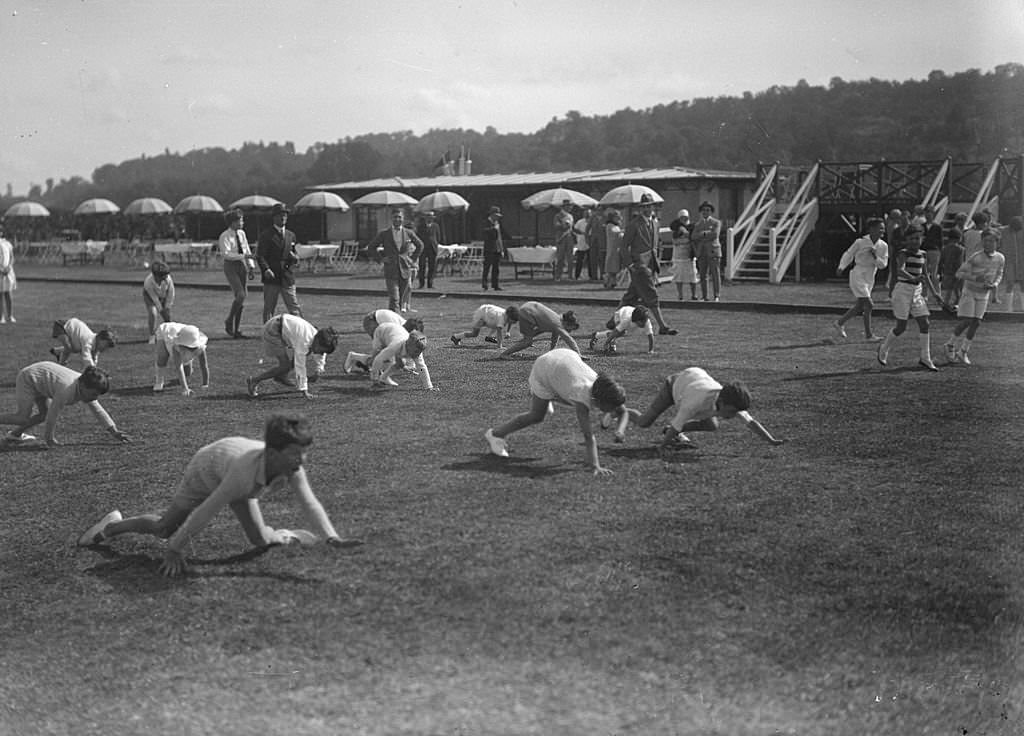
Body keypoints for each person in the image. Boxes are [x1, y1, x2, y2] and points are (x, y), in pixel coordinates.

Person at [77, 413, 359, 577]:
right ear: (273, 453)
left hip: (236, 477)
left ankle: (288, 535)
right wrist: (175, 549)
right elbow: (206, 511)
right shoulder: (243, 474)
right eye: (297, 452)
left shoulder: (292, 466)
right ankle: (109, 528)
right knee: (164, 528)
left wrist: (332, 536)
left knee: (261, 540)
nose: (303, 459)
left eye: (304, 451)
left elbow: (309, 502)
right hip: (206, 470)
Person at [484, 348, 629, 476]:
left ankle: (547, 399)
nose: (615, 409)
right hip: (544, 368)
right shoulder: (581, 398)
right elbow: (588, 435)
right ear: (599, 401)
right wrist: (595, 465)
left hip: (564, 357)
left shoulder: (603, 388)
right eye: (611, 408)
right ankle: (496, 434)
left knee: (565, 394)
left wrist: (620, 431)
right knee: (536, 416)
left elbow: (623, 411)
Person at [615, 367, 783, 450]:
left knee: (712, 425)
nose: (733, 416)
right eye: (732, 412)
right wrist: (662, 448)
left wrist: (772, 441)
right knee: (645, 422)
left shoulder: (729, 401)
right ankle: (624, 412)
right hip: (673, 387)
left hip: (692, 381)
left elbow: (751, 422)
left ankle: (669, 432)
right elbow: (677, 423)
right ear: (723, 403)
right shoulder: (696, 401)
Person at [1, 362, 131, 446]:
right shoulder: (66, 390)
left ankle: (15, 435)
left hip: (42, 381)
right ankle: (15, 433)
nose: (94, 398)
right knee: (22, 417)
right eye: (93, 394)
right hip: (29, 378)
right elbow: (53, 415)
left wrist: (114, 431)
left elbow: (98, 410)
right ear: (83, 386)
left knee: (43, 415)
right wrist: (49, 439)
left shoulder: (85, 386)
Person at [877, 225, 939, 371]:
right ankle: (884, 348)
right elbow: (900, 270)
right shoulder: (903, 253)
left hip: (917, 291)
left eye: (917, 238)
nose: (915, 241)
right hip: (903, 290)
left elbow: (926, 275)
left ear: (922, 239)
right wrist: (914, 278)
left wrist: (935, 293)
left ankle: (925, 358)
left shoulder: (923, 254)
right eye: (911, 239)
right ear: (906, 240)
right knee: (901, 327)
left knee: (925, 323)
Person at [943, 228, 1005, 365]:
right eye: (985, 241)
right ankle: (950, 344)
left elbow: (1000, 273)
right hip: (969, 292)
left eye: (991, 241)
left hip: (984, 294)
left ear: (997, 243)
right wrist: (976, 277)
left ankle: (963, 351)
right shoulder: (976, 257)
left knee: (977, 322)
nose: (988, 244)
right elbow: (959, 274)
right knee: (967, 320)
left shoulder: (1000, 258)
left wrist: (994, 284)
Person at [618, 194, 678, 336]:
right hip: (639, 265)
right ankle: (663, 326)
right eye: (644, 206)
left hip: (651, 264)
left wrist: (658, 258)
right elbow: (623, 246)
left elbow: (658, 243)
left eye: (649, 206)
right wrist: (630, 264)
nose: (647, 209)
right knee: (652, 295)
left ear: (653, 207)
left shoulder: (655, 223)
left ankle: (612, 321)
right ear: (640, 209)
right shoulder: (634, 224)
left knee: (631, 296)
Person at [246, 314, 338, 399]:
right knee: (285, 365)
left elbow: (322, 354)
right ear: (317, 341)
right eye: (320, 350)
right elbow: (300, 366)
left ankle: (281, 377)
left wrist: (319, 369)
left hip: (280, 325)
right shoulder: (304, 341)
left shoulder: (316, 336)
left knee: (297, 359)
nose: (320, 353)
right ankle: (254, 380)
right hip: (273, 330)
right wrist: (304, 390)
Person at [832, 217, 888, 342]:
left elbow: (883, 265)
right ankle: (869, 335)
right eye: (880, 228)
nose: (882, 231)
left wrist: (875, 256)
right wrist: (841, 266)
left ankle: (839, 323)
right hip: (858, 274)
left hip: (870, 276)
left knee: (861, 306)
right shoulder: (860, 242)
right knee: (869, 304)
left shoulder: (883, 246)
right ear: (871, 229)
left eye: (883, 229)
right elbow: (849, 254)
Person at [345, 324, 435, 390]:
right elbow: (378, 359)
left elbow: (422, 368)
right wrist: (374, 379)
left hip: (393, 333)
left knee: (400, 364)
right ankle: (353, 356)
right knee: (374, 361)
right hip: (381, 332)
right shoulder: (395, 346)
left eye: (420, 352)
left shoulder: (417, 349)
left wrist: (429, 387)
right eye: (416, 351)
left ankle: (383, 378)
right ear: (408, 345)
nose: (418, 354)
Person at [366, 209, 422, 312]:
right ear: (391, 219)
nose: (397, 219)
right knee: (394, 298)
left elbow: (420, 245)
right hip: (391, 269)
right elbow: (371, 247)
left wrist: (412, 259)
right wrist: (381, 259)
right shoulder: (384, 234)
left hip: (405, 269)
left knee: (401, 299)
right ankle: (395, 321)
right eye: (395, 217)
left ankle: (396, 322)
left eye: (399, 217)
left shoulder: (409, 233)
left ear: (403, 219)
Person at [256, 203, 302, 323]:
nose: (283, 218)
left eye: (285, 215)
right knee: (269, 307)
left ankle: (301, 331)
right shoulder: (266, 235)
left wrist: (295, 257)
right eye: (280, 215)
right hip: (272, 276)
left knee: (294, 306)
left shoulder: (291, 235)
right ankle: (267, 331)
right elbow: (260, 256)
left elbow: (293, 253)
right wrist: (266, 269)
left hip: (287, 275)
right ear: (274, 217)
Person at [218, 208, 256, 338]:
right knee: (240, 295)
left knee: (242, 298)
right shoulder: (225, 236)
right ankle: (229, 320)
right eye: (239, 220)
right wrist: (243, 257)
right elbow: (226, 254)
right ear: (232, 222)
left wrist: (251, 266)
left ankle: (236, 330)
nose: (242, 222)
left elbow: (246, 249)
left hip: (242, 265)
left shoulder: (242, 234)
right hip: (231, 266)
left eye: (242, 220)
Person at [497, 300, 582, 358]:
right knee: (528, 342)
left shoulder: (557, 320)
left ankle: (520, 343)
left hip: (529, 307)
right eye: (570, 328)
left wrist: (552, 352)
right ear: (567, 323)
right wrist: (578, 354)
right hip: (526, 313)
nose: (570, 331)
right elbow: (568, 339)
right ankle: (504, 354)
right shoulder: (557, 324)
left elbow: (555, 335)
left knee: (532, 335)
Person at [152, 322, 210, 396]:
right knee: (162, 357)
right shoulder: (176, 347)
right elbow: (179, 367)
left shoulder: (200, 348)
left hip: (181, 332)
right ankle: (159, 382)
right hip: (164, 332)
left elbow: (204, 366)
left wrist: (205, 384)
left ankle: (183, 375)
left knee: (187, 373)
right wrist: (185, 389)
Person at [49, 318, 116, 368]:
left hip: (72, 333)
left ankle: (57, 352)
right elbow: (86, 357)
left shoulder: (96, 345)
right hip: (62, 326)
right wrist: (92, 371)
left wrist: (94, 369)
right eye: (106, 345)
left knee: (76, 348)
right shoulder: (88, 340)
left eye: (108, 347)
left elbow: (94, 358)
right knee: (68, 348)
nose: (105, 348)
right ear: (100, 339)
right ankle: (61, 366)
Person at [587, 305, 655, 354]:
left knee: (621, 332)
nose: (643, 324)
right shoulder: (626, 320)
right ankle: (610, 343)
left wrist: (651, 350)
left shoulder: (646, 321)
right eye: (641, 322)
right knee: (620, 332)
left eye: (645, 321)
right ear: (636, 320)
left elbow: (650, 336)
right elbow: (614, 332)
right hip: (620, 313)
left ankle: (596, 335)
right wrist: (606, 343)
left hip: (628, 310)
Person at [450, 304, 520, 349]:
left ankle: (489, 337)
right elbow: (499, 332)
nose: (515, 322)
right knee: (474, 334)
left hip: (488, 313)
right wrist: (500, 346)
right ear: (509, 317)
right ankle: (456, 337)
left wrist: (508, 332)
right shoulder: (501, 317)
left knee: (498, 325)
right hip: (481, 315)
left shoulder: (507, 316)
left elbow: (509, 322)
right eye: (514, 320)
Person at [691, 201, 722, 302]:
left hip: (713, 251)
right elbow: (693, 236)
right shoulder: (698, 224)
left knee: (715, 274)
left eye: (708, 210)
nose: (705, 212)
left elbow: (715, 235)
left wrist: (702, 234)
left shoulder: (716, 222)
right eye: (704, 210)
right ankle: (705, 296)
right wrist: (706, 234)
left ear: (711, 212)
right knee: (703, 275)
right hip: (701, 252)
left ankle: (716, 295)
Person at [668, 208, 697, 300]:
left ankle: (694, 294)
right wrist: (686, 240)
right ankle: (680, 295)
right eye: (682, 217)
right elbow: (675, 241)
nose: (684, 219)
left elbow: (693, 238)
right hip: (678, 256)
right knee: (678, 276)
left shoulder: (692, 227)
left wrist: (686, 237)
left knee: (692, 275)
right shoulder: (676, 228)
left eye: (685, 217)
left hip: (689, 255)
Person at [142, 261, 174, 343]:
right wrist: (161, 310)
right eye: (162, 277)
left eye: (165, 277)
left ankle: (169, 335)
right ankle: (152, 336)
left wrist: (167, 307)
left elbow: (171, 294)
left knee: (167, 316)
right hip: (150, 296)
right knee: (153, 313)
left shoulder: (168, 278)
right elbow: (155, 299)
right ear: (155, 275)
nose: (164, 279)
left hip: (163, 295)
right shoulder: (148, 282)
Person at [998, 216, 1024, 312]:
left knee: (1023, 283)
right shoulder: (1003, 231)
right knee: (1010, 283)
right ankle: (1008, 308)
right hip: (1009, 261)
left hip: (1022, 261)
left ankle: (1023, 307)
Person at [938, 228, 966, 309]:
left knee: (949, 288)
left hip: (947, 271)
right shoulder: (961, 249)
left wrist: (940, 270)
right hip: (957, 271)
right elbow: (960, 261)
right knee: (957, 289)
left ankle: (947, 302)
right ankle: (956, 302)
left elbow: (941, 260)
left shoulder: (944, 248)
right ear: (959, 238)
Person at [921, 205, 944, 303]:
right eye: (926, 213)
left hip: (934, 250)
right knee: (924, 273)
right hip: (923, 250)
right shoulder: (922, 226)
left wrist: (940, 251)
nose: (928, 215)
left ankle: (937, 293)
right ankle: (924, 294)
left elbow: (940, 241)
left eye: (930, 213)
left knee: (934, 274)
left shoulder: (937, 227)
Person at [481, 206, 506, 291]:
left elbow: (499, 237)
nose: (497, 217)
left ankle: (495, 285)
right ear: (492, 215)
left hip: (497, 249)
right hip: (489, 249)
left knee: (496, 268)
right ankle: (484, 284)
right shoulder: (486, 222)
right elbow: (484, 232)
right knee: (487, 267)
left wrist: (501, 249)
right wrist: (493, 229)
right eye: (496, 215)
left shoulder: (498, 223)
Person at [416, 210, 441, 289]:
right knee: (422, 266)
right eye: (428, 216)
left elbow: (438, 237)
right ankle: (421, 283)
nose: (429, 218)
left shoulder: (435, 226)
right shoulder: (420, 226)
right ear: (425, 218)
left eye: (431, 216)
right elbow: (417, 237)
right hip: (423, 248)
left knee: (432, 267)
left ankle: (430, 283)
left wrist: (435, 244)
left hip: (432, 248)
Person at [553, 200, 575, 281]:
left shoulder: (571, 216)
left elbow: (572, 228)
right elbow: (556, 226)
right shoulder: (558, 216)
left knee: (570, 258)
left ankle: (570, 276)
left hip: (569, 238)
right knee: (560, 258)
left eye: (571, 206)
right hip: (561, 238)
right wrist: (564, 224)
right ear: (564, 206)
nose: (570, 207)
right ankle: (558, 276)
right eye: (569, 206)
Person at [603, 209, 625, 289]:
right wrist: (624, 231)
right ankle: (607, 282)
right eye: (616, 216)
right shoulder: (609, 225)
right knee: (611, 267)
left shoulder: (617, 226)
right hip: (612, 248)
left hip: (617, 248)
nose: (618, 218)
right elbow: (615, 233)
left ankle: (613, 283)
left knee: (616, 267)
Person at [586, 206, 606, 282]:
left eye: (601, 210)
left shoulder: (606, 218)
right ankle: (594, 276)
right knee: (593, 259)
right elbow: (587, 228)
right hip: (593, 241)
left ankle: (602, 275)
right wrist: (587, 239)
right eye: (597, 210)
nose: (599, 211)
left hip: (602, 241)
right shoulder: (593, 218)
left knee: (602, 259)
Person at [0, 225, 15, 324]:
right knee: (0, 295)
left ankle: (10, 316)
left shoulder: (7, 243)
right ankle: (1, 317)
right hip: (0, 272)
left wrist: (8, 267)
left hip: (8, 272)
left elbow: (12, 257)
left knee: (8, 294)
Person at [572, 207, 592, 280]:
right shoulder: (580, 222)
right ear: (583, 214)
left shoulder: (592, 221)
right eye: (586, 213)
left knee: (590, 261)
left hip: (590, 243)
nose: (587, 214)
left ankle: (591, 275)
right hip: (581, 243)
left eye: (588, 213)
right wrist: (582, 233)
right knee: (580, 260)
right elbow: (574, 230)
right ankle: (577, 275)